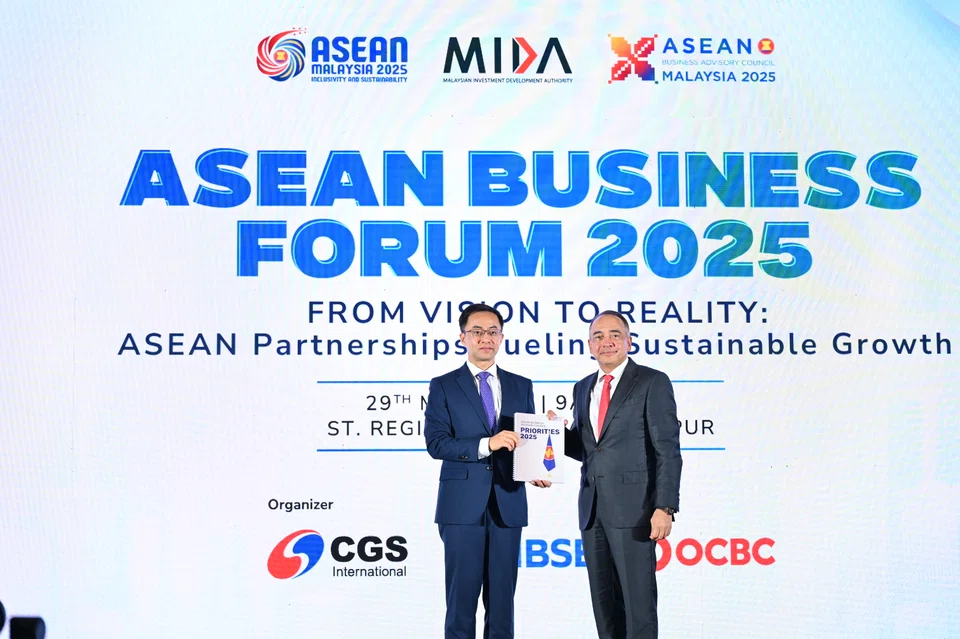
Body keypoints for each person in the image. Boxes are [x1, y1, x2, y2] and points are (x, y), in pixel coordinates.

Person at [555, 310, 682, 639]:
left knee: (638, 608)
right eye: (598, 336)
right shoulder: (583, 388)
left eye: (614, 334)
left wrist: (664, 506)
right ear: (589, 346)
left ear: (628, 341)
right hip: (593, 511)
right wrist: (553, 434)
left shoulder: (652, 381)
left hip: (637, 511)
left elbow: (666, 449)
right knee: (605, 608)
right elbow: (587, 448)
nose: (606, 341)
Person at [424, 303, 547, 639]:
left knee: (503, 605)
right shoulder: (444, 385)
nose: (485, 338)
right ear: (462, 337)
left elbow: (523, 440)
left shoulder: (521, 385)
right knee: (461, 604)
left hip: (507, 503)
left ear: (502, 337)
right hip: (461, 507)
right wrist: (486, 444)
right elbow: (436, 443)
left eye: (492, 331)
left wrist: (536, 464)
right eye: (477, 331)